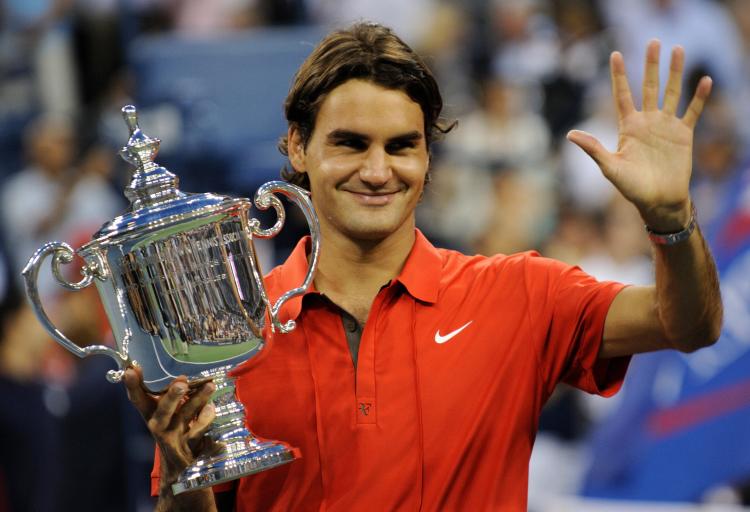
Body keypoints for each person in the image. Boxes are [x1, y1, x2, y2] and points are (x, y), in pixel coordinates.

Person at [123, 22, 722, 511]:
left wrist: (671, 218)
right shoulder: (228, 338)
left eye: (402, 145)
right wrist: (185, 474)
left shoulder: (520, 293)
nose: (379, 171)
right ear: (299, 147)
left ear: (428, 154)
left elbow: (688, 325)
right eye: (351, 143)